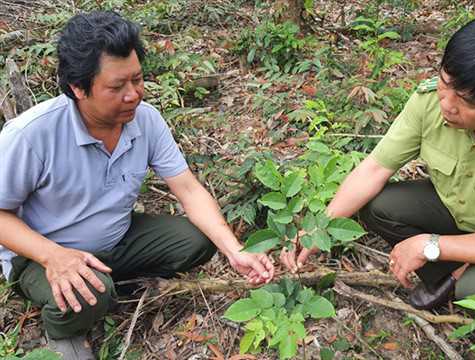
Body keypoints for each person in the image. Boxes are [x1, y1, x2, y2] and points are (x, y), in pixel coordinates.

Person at [281, 11, 475, 326]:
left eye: (468, 102)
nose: (447, 104)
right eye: (445, 82)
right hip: (457, 212)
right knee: (377, 205)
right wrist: (317, 230)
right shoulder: (431, 99)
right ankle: (454, 272)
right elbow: (374, 169)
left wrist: (430, 246)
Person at [0, 11, 274, 359]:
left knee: (196, 240)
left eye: (138, 80)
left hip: (116, 238)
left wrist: (234, 250)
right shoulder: (32, 136)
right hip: (43, 252)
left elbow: (188, 189)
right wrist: (53, 256)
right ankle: (66, 329)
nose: (133, 95)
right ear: (78, 88)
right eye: (116, 87)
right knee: (91, 294)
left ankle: (106, 281)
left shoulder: (145, 121)